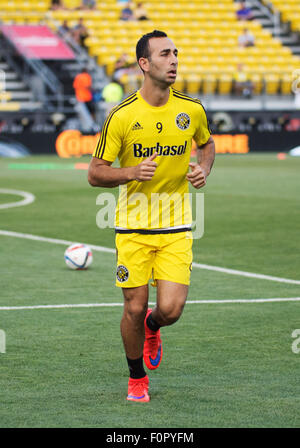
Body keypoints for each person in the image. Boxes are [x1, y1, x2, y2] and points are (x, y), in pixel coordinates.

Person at [88, 30, 215, 403]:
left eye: (176, 52)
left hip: (177, 225)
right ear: (145, 64)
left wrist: (204, 169)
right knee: (134, 305)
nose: (174, 59)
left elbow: (206, 144)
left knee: (170, 310)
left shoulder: (191, 109)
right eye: (164, 54)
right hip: (133, 227)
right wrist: (130, 172)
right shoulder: (122, 116)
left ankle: (154, 327)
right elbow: (95, 173)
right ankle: (136, 379)